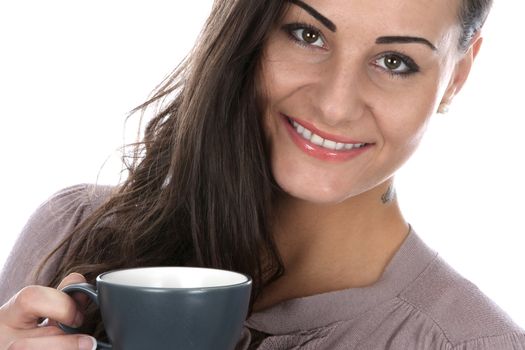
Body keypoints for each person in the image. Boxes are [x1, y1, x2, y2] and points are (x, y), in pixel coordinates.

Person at [0, 0, 524, 349]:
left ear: (456, 74)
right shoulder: (71, 231)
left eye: (394, 62)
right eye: (307, 34)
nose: (336, 105)